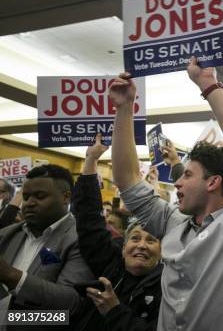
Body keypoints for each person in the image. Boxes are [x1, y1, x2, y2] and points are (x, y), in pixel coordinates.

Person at [109, 59, 223, 331]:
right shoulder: (172, 221)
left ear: (213, 183)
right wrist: (125, 109)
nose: (178, 184)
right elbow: (127, 180)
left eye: (187, 175)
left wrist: (208, 85)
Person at [71, 134, 163, 331]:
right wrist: (91, 160)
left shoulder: (168, 287)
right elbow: (89, 219)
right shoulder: (111, 266)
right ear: (123, 247)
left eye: (151, 240)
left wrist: (114, 311)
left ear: (162, 251)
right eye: (135, 238)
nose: (141, 245)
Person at [0, 164, 95, 330]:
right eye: (26, 197)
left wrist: (11, 277)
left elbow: (69, 307)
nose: (29, 203)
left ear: (66, 197)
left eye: (39, 196)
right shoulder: (6, 234)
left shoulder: (81, 239)